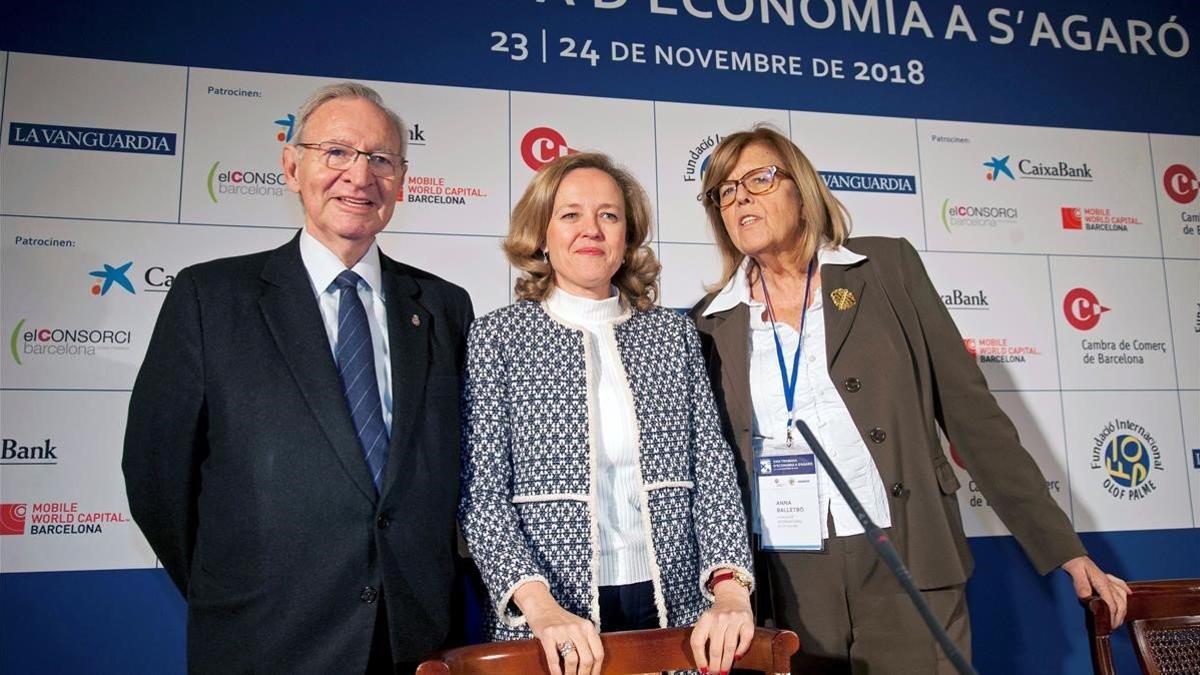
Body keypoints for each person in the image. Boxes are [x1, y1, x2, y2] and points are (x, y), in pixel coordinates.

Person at [688, 126, 1131, 674]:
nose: (741, 199)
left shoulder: (886, 270)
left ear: (800, 190)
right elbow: (707, 469)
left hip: (907, 555)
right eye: (724, 192)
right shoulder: (708, 322)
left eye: (759, 179)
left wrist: (1061, 543)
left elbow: (973, 417)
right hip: (787, 580)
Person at [122, 82, 473, 674]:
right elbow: (158, 479)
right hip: (265, 638)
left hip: (414, 643)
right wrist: (234, 588)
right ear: (291, 165)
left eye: (381, 159)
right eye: (336, 152)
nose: (359, 177)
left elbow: (453, 472)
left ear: (402, 182)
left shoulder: (444, 306)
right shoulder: (210, 299)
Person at [459, 152, 754, 675]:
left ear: (627, 238)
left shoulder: (672, 335)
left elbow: (713, 470)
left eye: (609, 215)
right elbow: (482, 498)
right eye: (570, 214)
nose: (590, 229)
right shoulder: (497, 338)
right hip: (550, 609)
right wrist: (541, 608)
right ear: (541, 235)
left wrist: (730, 588)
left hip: (678, 604)